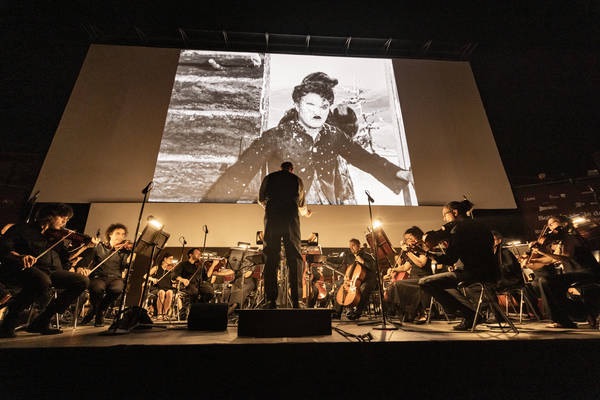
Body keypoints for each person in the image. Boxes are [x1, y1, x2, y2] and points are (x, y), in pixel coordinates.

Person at [202, 71, 413, 205]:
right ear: (299, 103)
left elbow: (362, 156)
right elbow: (241, 171)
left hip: (329, 198)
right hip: (287, 204)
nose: (318, 108)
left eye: (325, 101)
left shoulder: (333, 131)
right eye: (312, 102)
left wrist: (398, 173)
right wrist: (214, 206)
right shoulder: (280, 132)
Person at [0, 203, 89, 338]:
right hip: (23, 268)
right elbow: (4, 248)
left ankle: (42, 320)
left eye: (67, 219)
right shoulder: (21, 229)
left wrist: (83, 248)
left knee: (81, 281)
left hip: (51, 271)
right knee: (41, 280)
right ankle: (9, 321)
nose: (65, 222)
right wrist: (19, 256)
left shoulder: (56, 236)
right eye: (62, 217)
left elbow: (66, 258)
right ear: (49, 216)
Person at [419, 200, 499, 331]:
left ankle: (470, 315)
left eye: (445, 215)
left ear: (455, 212)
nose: (444, 219)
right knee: (446, 284)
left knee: (425, 282)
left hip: (473, 273)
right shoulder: (482, 226)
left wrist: (428, 253)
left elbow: (450, 259)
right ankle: (471, 313)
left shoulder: (458, 229)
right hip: (490, 272)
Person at [523, 215, 600, 328]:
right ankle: (569, 316)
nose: (550, 228)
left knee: (547, 281)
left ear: (564, 224)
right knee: (545, 282)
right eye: (548, 225)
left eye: (552, 223)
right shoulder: (562, 241)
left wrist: (542, 252)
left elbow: (566, 257)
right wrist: (532, 261)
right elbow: (551, 259)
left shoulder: (571, 238)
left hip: (587, 273)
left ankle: (567, 317)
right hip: (575, 274)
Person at [259, 161, 311, 309]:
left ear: (280, 168)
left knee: (271, 257)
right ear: (291, 170)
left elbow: (261, 199)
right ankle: (296, 300)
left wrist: (272, 207)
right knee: (294, 258)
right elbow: (301, 204)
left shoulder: (269, 178)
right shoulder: (296, 180)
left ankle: (271, 300)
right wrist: (306, 213)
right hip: (290, 220)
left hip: (273, 220)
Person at [81, 223, 131, 327]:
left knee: (117, 289)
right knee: (97, 288)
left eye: (123, 234)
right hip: (99, 277)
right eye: (118, 233)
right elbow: (88, 259)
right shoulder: (99, 247)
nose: (121, 237)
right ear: (110, 234)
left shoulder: (124, 251)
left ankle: (98, 310)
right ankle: (99, 312)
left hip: (115, 278)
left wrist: (130, 256)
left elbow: (125, 266)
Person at [385, 226, 432, 323]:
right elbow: (405, 267)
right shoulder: (412, 250)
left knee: (397, 284)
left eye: (409, 238)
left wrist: (408, 252)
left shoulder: (423, 247)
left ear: (417, 236)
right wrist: (393, 269)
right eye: (406, 239)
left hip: (424, 278)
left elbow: (421, 263)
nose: (407, 241)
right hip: (414, 278)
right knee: (393, 285)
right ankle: (404, 312)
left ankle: (418, 312)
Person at [334, 238, 379, 320]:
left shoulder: (368, 256)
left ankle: (358, 312)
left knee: (363, 288)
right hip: (353, 280)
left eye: (353, 246)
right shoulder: (350, 257)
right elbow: (345, 268)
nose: (351, 248)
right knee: (339, 286)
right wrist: (345, 276)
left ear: (358, 246)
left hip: (368, 279)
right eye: (350, 246)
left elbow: (373, 268)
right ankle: (337, 312)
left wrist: (362, 261)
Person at [172, 248, 214, 317]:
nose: (199, 254)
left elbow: (206, 277)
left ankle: (199, 307)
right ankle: (183, 312)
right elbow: (174, 275)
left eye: (200, 253)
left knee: (210, 292)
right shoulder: (182, 264)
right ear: (190, 255)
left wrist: (213, 265)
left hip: (199, 285)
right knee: (193, 291)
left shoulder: (200, 265)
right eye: (197, 253)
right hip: (187, 285)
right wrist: (183, 280)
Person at [147, 252, 176, 320]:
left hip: (167, 287)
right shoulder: (157, 268)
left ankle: (165, 313)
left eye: (172, 259)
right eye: (170, 259)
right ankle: (159, 314)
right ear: (165, 259)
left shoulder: (170, 269)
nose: (171, 261)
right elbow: (146, 276)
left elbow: (173, 279)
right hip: (157, 288)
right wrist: (153, 279)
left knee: (170, 292)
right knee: (162, 292)